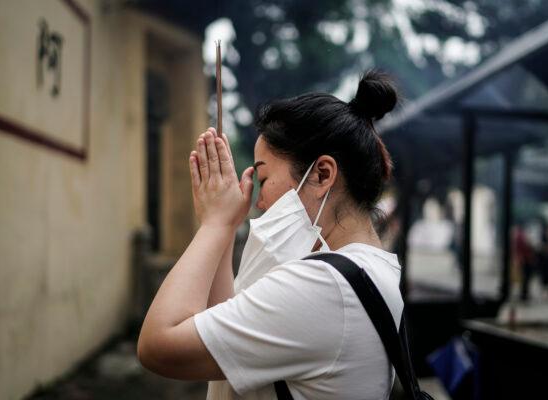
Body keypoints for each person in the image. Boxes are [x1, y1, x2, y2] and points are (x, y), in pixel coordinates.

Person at [137, 70, 404, 400]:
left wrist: (213, 226)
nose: (258, 201)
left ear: (322, 175)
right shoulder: (370, 271)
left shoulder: (326, 287)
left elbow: (158, 345)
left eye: (263, 179)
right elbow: (229, 331)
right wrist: (224, 228)